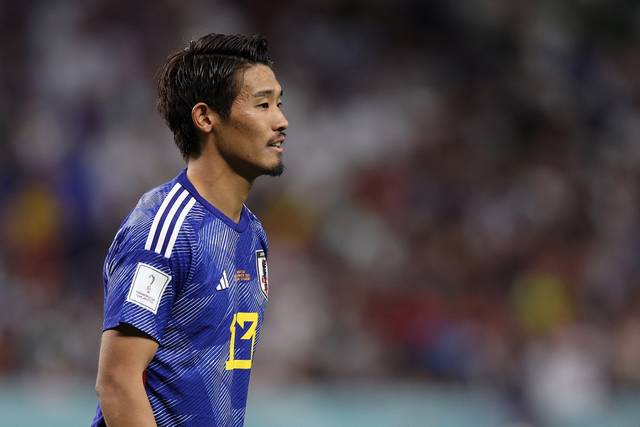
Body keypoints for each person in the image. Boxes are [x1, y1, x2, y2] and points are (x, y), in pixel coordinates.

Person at [91, 33, 288, 427]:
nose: (281, 121)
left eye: (279, 104)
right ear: (205, 118)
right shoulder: (163, 229)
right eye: (263, 104)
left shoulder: (252, 234)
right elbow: (117, 383)